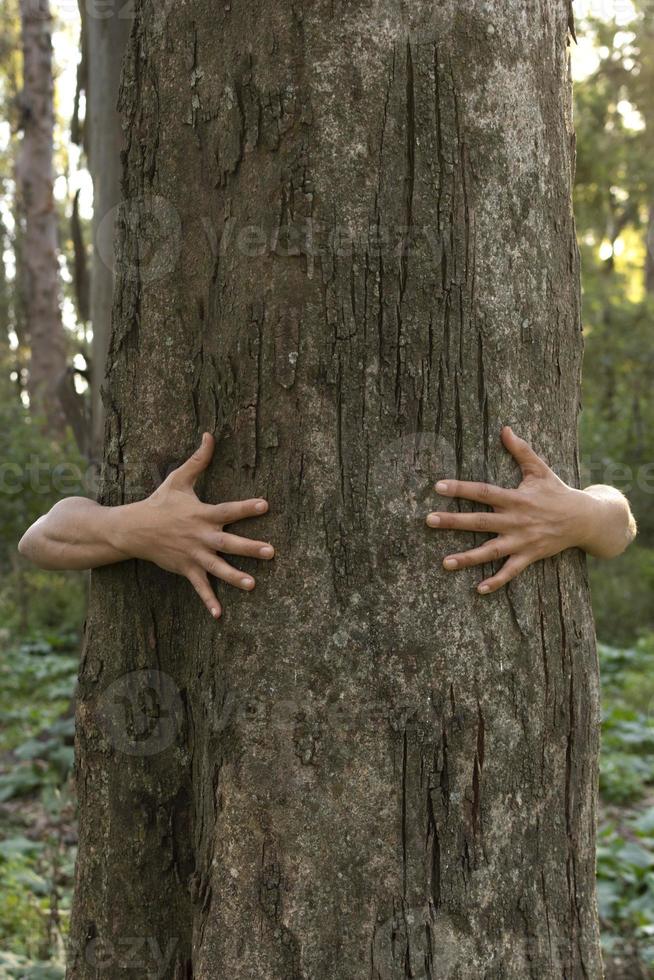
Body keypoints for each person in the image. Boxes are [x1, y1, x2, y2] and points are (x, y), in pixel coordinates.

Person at [18, 426, 636, 616]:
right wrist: (135, 528)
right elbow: (41, 538)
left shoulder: (560, 504)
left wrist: (580, 514)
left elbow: (619, 526)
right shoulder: (154, 513)